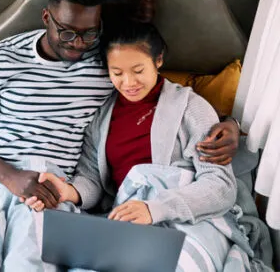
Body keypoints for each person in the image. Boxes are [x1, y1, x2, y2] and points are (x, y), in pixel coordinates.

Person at [0, 0, 241, 272]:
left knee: (26, 261)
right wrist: (11, 177)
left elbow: (158, 90)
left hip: (52, 185)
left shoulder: (106, 60)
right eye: (67, 32)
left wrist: (231, 125)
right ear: (47, 17)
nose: (77, 44)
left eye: (89, 34)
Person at [26, 21, 269, 271]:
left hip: (190, 219)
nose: (129, 82)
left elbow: (220, 187)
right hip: (129, 220)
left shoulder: (192, 108)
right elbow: (92, 180)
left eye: (138, 70)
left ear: (159, 60)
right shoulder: (100, 118)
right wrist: (68, 192)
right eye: (117, 73)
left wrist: (155, 209)